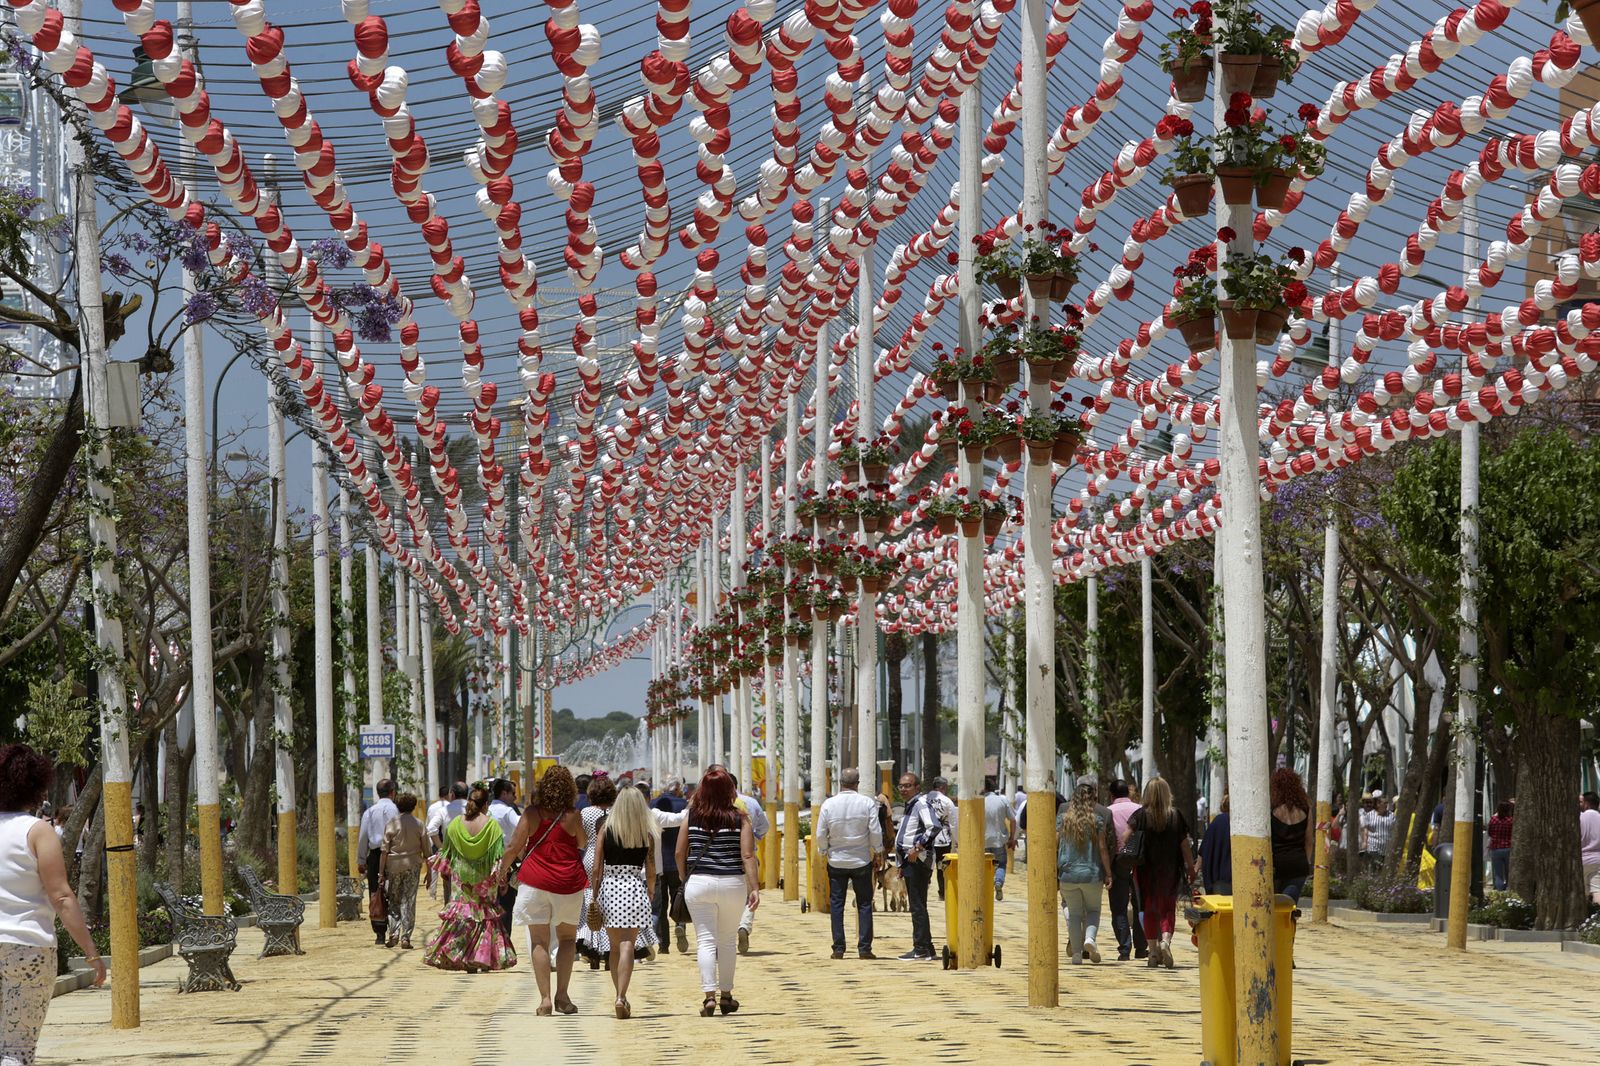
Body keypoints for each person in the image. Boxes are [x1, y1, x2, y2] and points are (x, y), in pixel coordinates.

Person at [0, 745, 105, 1066]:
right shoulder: (37, 832)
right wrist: (91, 952)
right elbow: (61, 896)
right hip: (28, 948)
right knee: (15, 1050)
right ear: (36, 785)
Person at [497, 766, 588, 1016]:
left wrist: (502, 871)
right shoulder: (573, 815)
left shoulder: (531, 813)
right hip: (567, 882)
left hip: (534, 881)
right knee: (567, 939)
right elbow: (582, 842)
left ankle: (545, 999)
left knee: (539, 941)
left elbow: (513, 846)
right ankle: (563, 996)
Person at [677, 766, 760, 1016]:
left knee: (705, 940)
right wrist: (754, 887)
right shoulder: (740, 818)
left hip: (699, 883)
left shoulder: (692, 816)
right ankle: (726, 995)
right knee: (726, 941)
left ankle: (709, 997)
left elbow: (680, 852)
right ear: (730, 790)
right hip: (732, 883)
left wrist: (684, 877)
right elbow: (748, 855)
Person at [425, 783, 517, 972]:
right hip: (485, 879)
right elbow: (498, 856)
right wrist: (502, 880)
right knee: (485, 915)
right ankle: (481, 958)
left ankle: (462, 955)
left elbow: (447, 853)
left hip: (461, 878)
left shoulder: (455, 825)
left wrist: (445, 872)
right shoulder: (492, 826)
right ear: (486, 805)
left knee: (463, 915)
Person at [588, 786, 659, 1019]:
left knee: (614, 946)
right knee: (629, 942)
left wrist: (595, 894)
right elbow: (651, 869)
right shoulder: (645, 833)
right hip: (634, 886)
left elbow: (596, 867)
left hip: (610, 887)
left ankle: (618, 995)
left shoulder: (606, 829)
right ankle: (621, 996)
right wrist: (650, 891)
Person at [814, 768, 883, 960]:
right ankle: (864, 948)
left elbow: (821, 833)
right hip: (861, 860)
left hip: (837, 860)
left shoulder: (829, 804)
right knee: (864, 904)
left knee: (837, 904)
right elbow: (875, 831)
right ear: (857, 784)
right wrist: (878, 850)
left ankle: (838, 948)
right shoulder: (867, 803)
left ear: (840, 783)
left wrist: (824, 850)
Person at [1129, 777, 1196, 969]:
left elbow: (1126, 837)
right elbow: (1184, 845)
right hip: (1170, 870)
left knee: (1149, 909)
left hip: (1145, 871)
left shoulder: (1140, 815)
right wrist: (1191, 868)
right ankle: (1165, 941)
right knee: (1167, 908)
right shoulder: (1175, 816)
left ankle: (1152, 952)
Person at [1056, 779, 1114, 965]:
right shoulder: (1097, 821)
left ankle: (1076, 954)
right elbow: (1103, 849)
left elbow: (1055, 844)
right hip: (1091, 874)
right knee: (1093, 910)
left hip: (1068, 874)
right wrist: (1108, 873)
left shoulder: (1063, 819)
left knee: (1074, 914)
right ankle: (1090, 939)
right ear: (1092, 799)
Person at [893, 771, 942, 961]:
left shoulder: (921, 804)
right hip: (909, 862)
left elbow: (934, 826)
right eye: (901, 786)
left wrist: (917, 847)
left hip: (918, 861)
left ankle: (920, 948)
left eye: (908, 786)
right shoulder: (910, 805)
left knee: (917, 906)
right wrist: (901, 862)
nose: (903, 789)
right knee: (918, 904)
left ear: (917, 787)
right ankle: (927, 947)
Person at [379, 793, 428, 949]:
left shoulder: (391, 824)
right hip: (413, 866)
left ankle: (393, 933)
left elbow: (384, 851)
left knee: (394, 900)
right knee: (409, 900)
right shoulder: (419, 824)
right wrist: (430, 871)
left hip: (393, 867)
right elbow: (427, 850)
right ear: (413, 807)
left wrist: (381, 873)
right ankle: (406, 937)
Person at [1106, 779, 1148, 961]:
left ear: (1111, 795)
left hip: (1118, 862)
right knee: (1140, 905)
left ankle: (1124, 949)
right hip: (1140, 862)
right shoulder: (1141, 810)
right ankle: (1141, 947)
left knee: (1119, 907)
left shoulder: (1108, 811)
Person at [729, 773, 769, 955]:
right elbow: (764, 826)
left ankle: (725, 936)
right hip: (747, 858)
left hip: (721, 860)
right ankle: (744, 926)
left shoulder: (710, 805)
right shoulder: (750, 803)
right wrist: (754, 837)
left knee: (725, 901)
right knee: (750, 895)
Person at [357, 778, 399, 946]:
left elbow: (363, 837)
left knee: (376, 892)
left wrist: (361, 860)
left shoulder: (370, 812)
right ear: (392, 792)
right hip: (394, 854)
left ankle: (379, 933)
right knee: (395, 891)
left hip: (374, 855)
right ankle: (395, 929)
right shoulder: (396, 810)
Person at [651, 779, 690, 954]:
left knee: (660, 906)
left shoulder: (653, 805)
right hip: (678, 860)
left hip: (658, 862)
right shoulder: (683, 804)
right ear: (678, 788)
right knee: (678, 897)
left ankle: (663, 945)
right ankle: (680, 923)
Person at [1271, 769, 1314, 903]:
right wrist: (1306, 861)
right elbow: (1309, 840)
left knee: (1272, 908)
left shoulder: (1271, 808)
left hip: (1276, 865)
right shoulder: (1305, 808)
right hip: (1298, 865)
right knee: (1289, 906)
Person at [486, 778, 521, 938]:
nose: (515, 797)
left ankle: (490, 940)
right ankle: (504, 940)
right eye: (513, 793)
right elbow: (522, 829)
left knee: (489, 905)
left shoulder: (486, 810)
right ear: (504, 793)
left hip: (487, 863)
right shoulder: (507, 811)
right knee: (506, 905)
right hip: (507, 861)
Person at [427, 782, 468, 905]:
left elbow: (431, 829)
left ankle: (450, 913)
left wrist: (442, 848)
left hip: (451, 856)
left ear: (452, 794)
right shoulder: (474, 809)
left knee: (450, 893)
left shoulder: (444, 810)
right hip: (472, 857)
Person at [982, 776, 1017, 902]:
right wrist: (1012, 837)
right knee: (1001, 864)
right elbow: (1013, 820)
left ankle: (985, 890)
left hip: (982, 841)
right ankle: (998, 881)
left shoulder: (978, 801)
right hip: (999, 841)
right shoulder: (1002, 800)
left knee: (984, 866)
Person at [927, 777, 957, 900]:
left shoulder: (924, 799)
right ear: (942, 787)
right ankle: (942, 893)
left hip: (926, 838)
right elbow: (953, 823)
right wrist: (957, 840)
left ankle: (923, 890)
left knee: (925, 866)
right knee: (942, 867)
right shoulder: (947, 801)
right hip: (942, 839)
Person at [1200, 793, 1232, 894]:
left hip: (1220, 880)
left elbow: (1204, 849)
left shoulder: (1217, 821)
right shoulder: (1241, 822)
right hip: (1237, 876)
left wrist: (1195, 869)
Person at [1360, 794, 1396, 869]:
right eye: (1384, 803)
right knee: (1376, 867)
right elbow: (1365, 830)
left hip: (1386, 849)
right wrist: (1364, 842)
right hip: (1373, 847)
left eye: (1387, 803)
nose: (1386, 805)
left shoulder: (1391, 815)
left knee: (1383, 870)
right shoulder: (1369, 815)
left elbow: (1394, 830)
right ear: (1378, 804)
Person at [1486, 800, 1513, 891]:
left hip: (1495, 848)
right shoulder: (1511, 820)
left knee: (1498, 873)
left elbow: (1489, 833)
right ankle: (1509, 890)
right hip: (1508, 848)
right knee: (1509, 872)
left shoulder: (1493, 819)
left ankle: (1499, 890)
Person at [1580, 791, 1600, 905]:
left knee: (1582, 893)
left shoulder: (1579, 818)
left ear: (1587, 804)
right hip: (1598, 860)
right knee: (1597, 890)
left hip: (1581, 861)